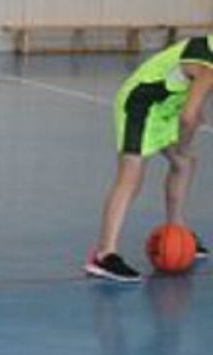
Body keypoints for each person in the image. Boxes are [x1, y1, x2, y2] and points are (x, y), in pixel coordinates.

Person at [85, 35, 213, 282]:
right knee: (131, 177)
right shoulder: (207, 64)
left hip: (164, 107)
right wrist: (183, 143)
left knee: (184, 164)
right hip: (140, 104)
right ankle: (103, 255)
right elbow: (189, 117)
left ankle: (178, 229)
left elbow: (194, 104)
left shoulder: (206, 47)